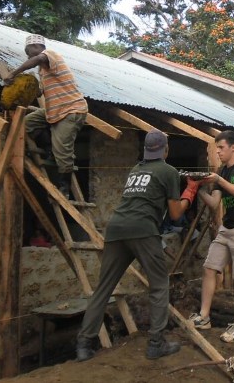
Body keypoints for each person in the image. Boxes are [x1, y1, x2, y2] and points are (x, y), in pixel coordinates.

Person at [75, 130, 201, 361]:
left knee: (104, 287)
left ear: (145, 150)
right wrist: (191, 190)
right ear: (166, 150)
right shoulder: (169, 171)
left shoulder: (136, 170)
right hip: (143, 229)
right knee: (159, 285)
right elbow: (175, 214)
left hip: (116, 228)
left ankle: (84, 344)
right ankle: (156, 343)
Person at [189, 130, 234, 343]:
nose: (218, 152)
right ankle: (204, 317)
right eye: (216, 148)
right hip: (226, 228)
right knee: (209, 268)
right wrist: (197, 189)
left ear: (233, 148)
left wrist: (219, 179)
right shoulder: (222, 171)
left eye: (221, 148)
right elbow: (214, 204)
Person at [4, 34, 88, 198]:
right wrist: (22, 89)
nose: (28, 57)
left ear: (36, 47)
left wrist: (13, 73)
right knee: (24, 124)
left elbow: (36, 59)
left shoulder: (50, 55)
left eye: (28, 53)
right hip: (53, 110)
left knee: (62, 151)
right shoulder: (43, 71)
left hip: (71, 109)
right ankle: (49, 149)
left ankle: (64, 187)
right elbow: (39, 92)